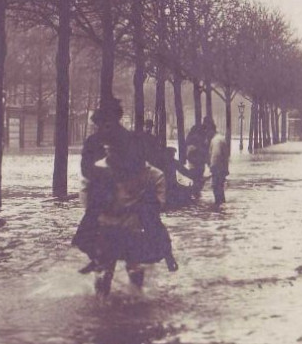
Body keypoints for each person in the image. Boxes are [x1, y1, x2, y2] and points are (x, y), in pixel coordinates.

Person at [73, 99, 177, 293]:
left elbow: (148, 171)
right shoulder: (98, 142)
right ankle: (116, 298)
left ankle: (122, 299)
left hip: (127, 215)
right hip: (108, 214)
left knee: (128, 262)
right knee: (108, 263)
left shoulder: (123, 140)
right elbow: (87, 177)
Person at [208, 127, 230, 207]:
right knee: (220, 189)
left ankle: (218, 207)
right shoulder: (220, 138)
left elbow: (216, 155)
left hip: (217, 169)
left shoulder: (215, 140)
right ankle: (221, 207)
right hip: (222, 168)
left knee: (216, 188)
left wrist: (212, 168)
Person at [184, 124, 207, 199]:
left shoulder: (190, 139)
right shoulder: (198, 139)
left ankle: (195, 194)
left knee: (195, 180)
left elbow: (188, 154)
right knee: (198, 180)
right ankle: (196, 194)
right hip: (198, 164)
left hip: (194, 164)